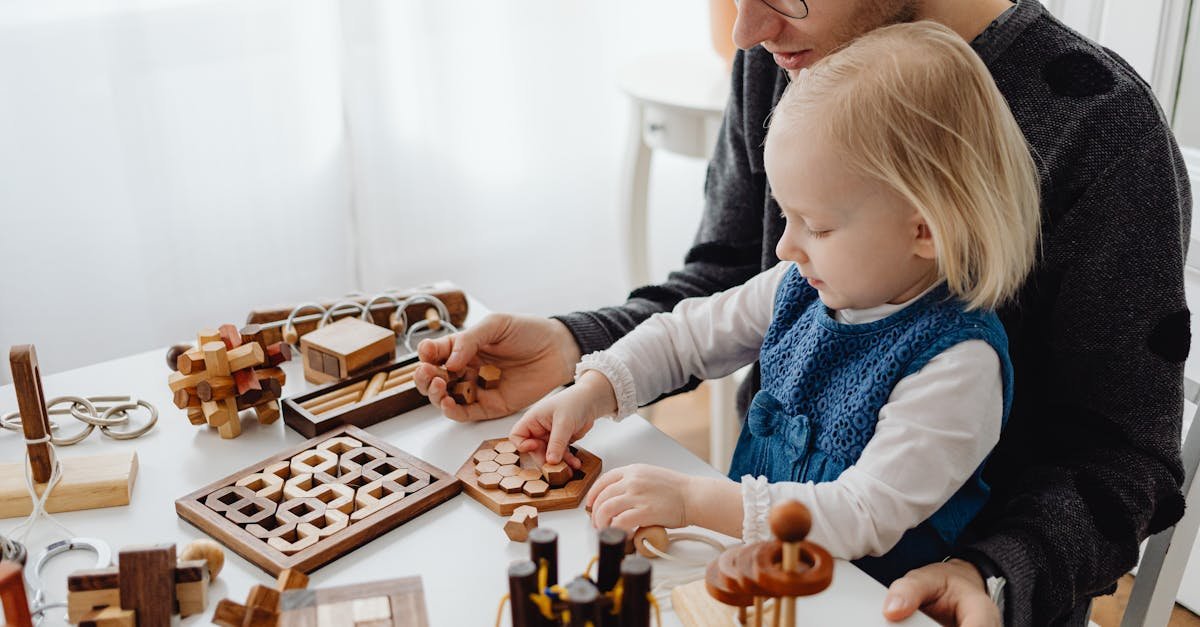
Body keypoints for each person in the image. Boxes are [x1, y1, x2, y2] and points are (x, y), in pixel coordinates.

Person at [415, 1, 1192, 624]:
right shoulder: (787, 59)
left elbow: (1119, 463)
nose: (746, 31)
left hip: (897, 595)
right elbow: (713, 300)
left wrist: (990, 572)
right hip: (758, 558)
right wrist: (581, 360)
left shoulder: (1099, 132)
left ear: (925, 228)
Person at [511, 19, 1041, 587]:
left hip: (854, 601)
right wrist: (594, 390)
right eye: (787, 216)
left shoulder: (958, 364)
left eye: (817, 226)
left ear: (925, 231)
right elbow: (685, 336)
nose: (786, 245)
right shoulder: (800, 283)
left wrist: (694, 499)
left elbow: (861, 514)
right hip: (760, 574)